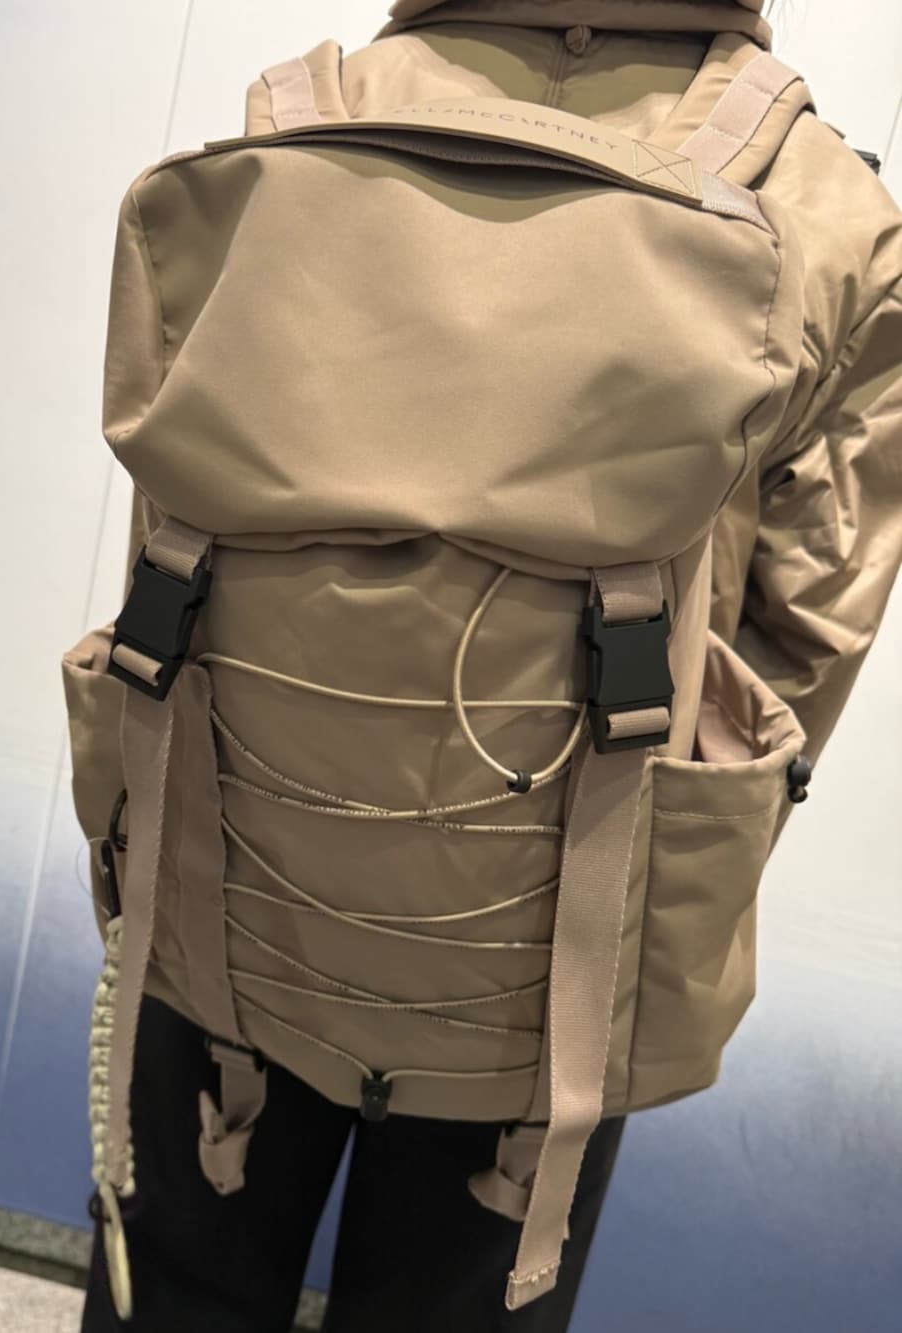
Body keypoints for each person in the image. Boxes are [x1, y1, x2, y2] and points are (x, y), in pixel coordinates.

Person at [80, 2, 902, 1330]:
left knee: (183, 1279)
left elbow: (187, 527)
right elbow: (804, 642)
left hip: (238, 864)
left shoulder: (318, 108)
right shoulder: (825, 202)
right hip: (553, 941)